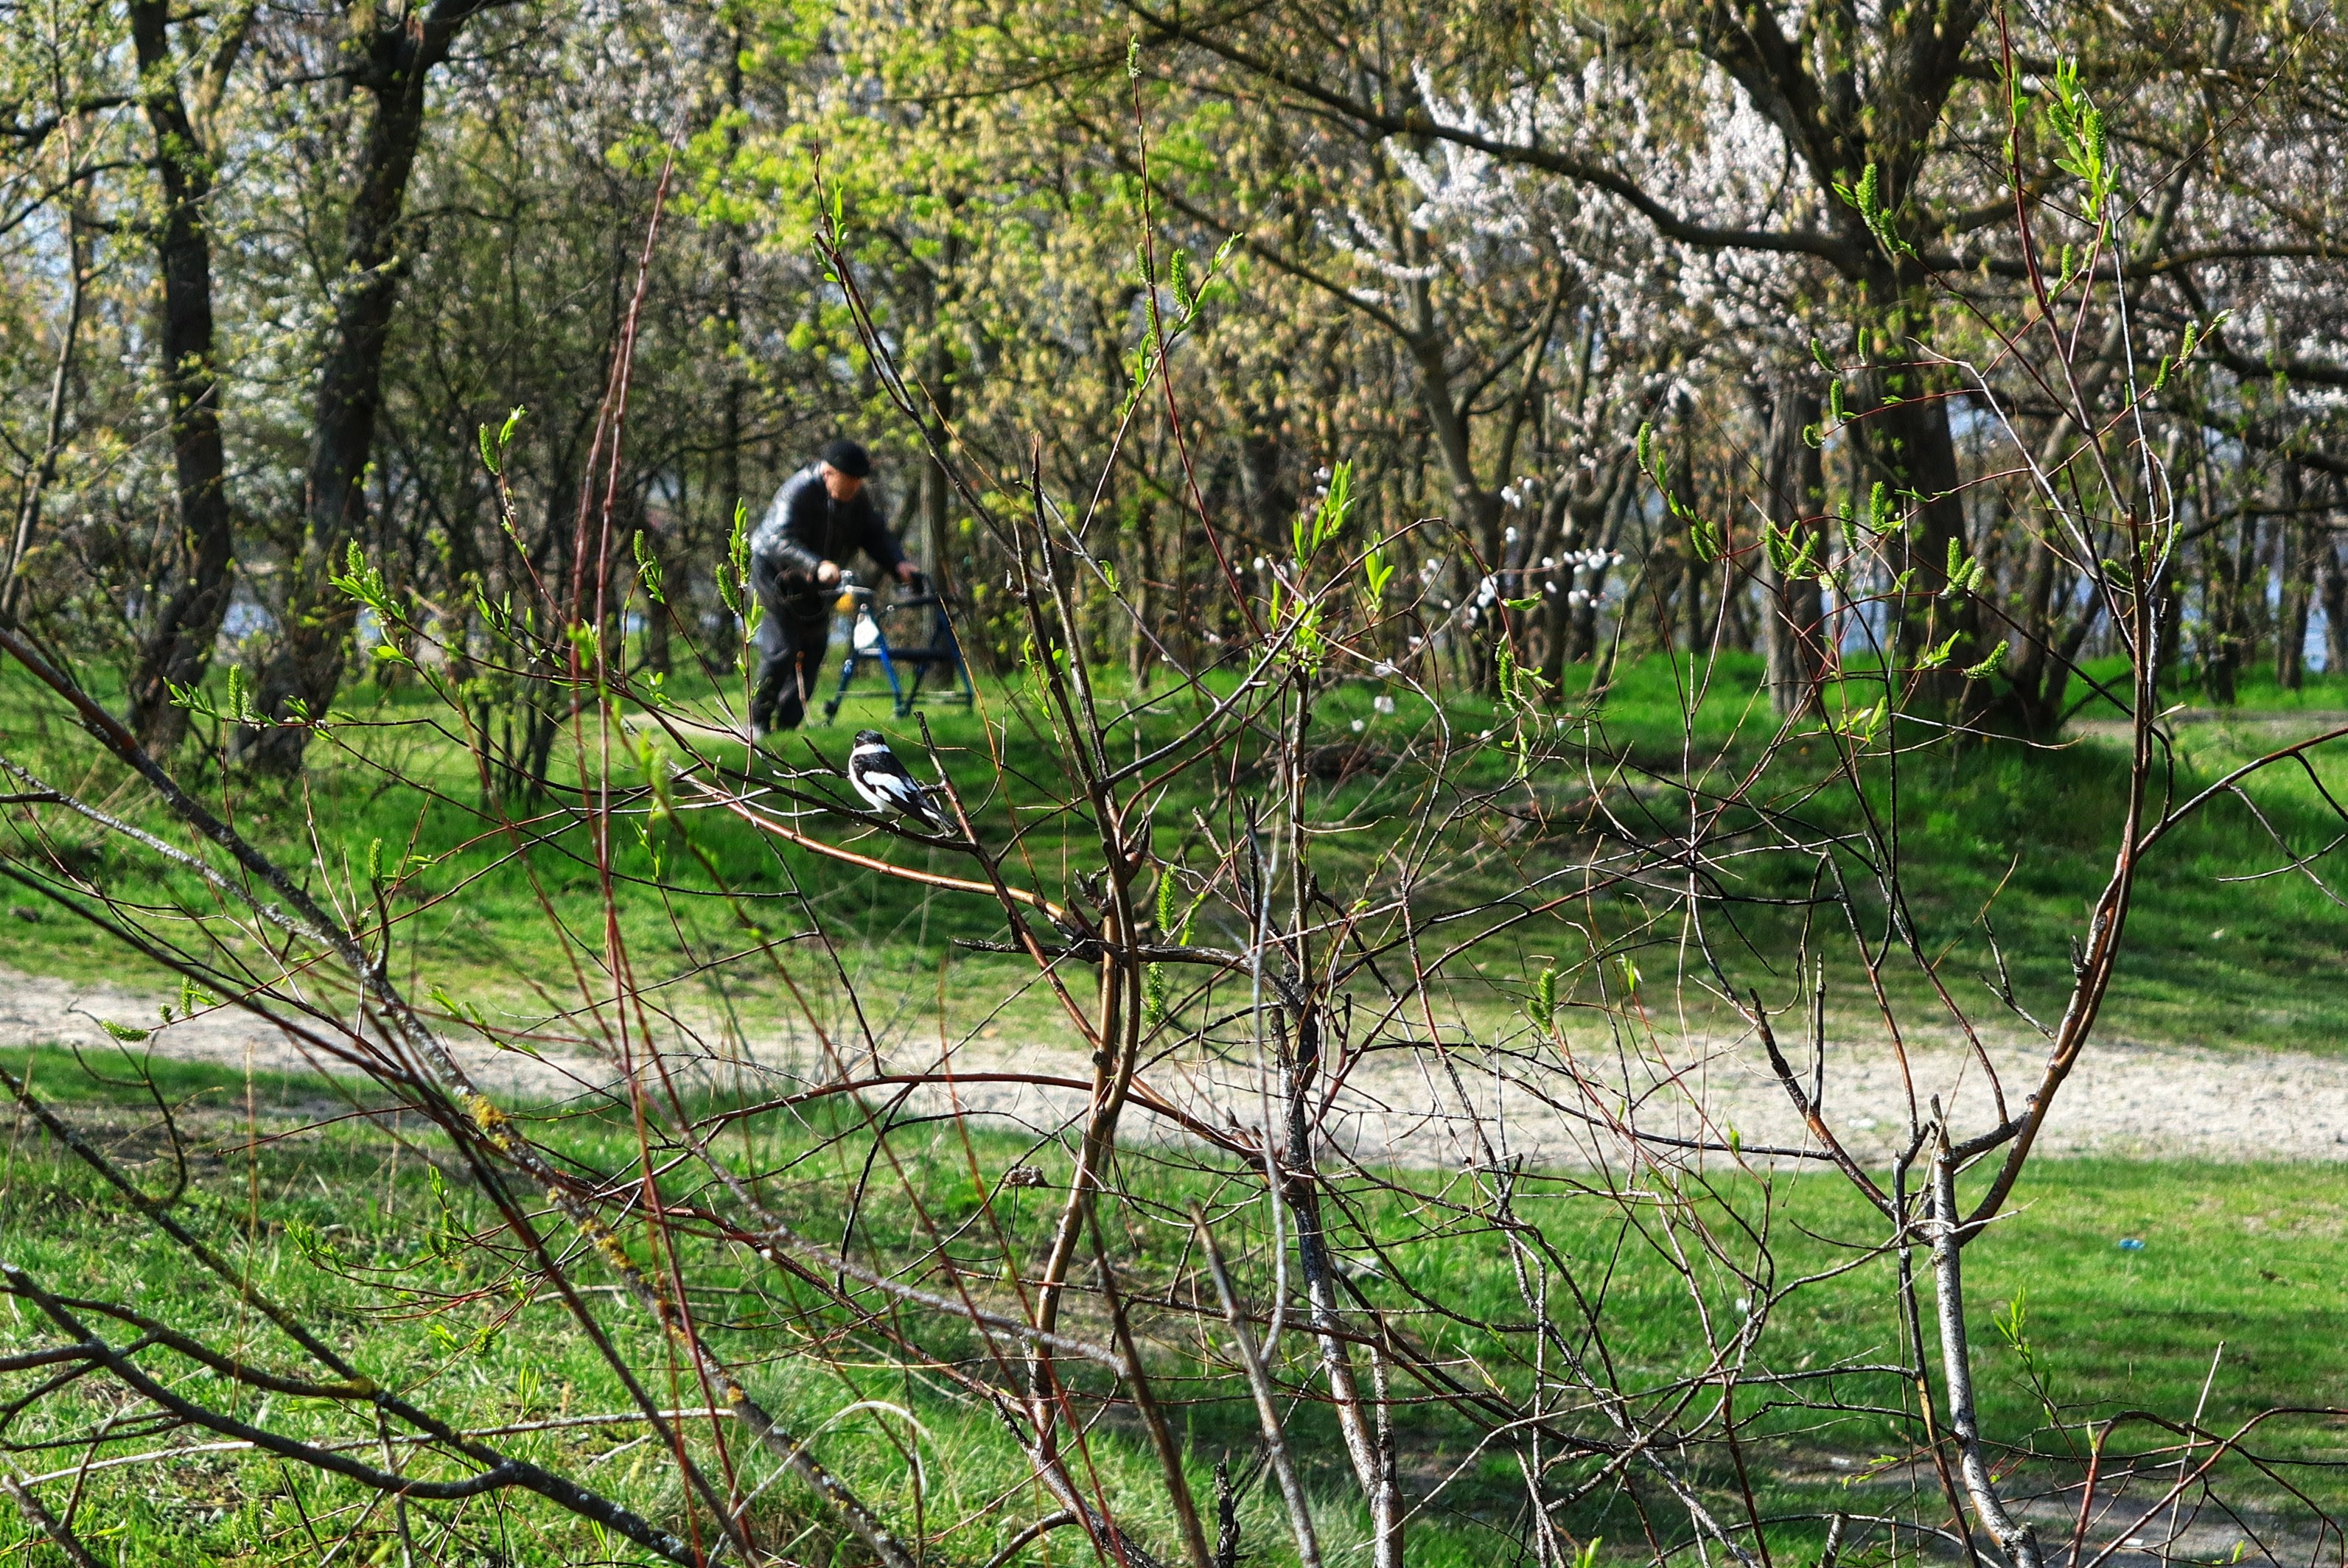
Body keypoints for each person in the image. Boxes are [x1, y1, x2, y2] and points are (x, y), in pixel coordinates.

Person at [745, 438, 920, 736]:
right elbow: (778, 541)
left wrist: (898, 563)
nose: (855, 487)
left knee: (814, 649)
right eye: (849, 480)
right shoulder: (798, 491)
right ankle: (758, 722)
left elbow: (875, 534)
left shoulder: (856, 500)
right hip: (774, 575)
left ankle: (788, 725)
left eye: (858, 481)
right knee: (782, 649)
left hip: (818, 583)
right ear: (828, 473)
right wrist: (817, 565)